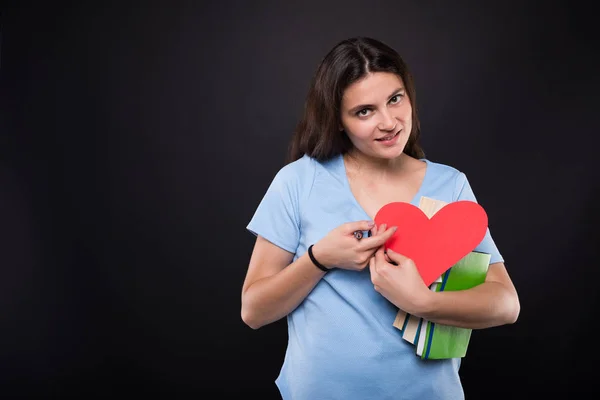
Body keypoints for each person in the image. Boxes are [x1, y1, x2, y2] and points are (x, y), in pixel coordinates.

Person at [241, 36, 520, 399]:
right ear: (337, 120)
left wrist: (422, 302)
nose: (389, 122)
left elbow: (505, 303)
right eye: (364, 111)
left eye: (395, 99)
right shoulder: (300, 180)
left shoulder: (449, 185)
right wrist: (319, 259)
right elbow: (254, 311)